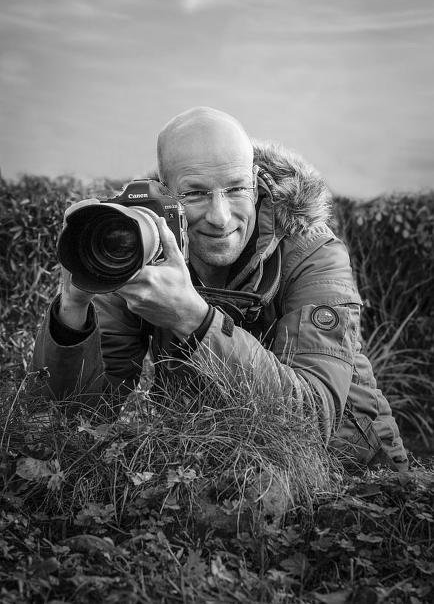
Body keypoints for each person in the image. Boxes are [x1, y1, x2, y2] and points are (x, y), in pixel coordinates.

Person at [30, 106, 409, 471]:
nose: (220, 216)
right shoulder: (141, 250)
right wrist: (73, 312)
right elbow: (81, 416)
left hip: (357, 470)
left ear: (256, 183)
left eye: (236, 189)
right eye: (194, 194)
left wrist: (194, 321)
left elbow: (312, 420)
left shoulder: (312, 252)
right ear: (165, 192)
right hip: (217, 465)